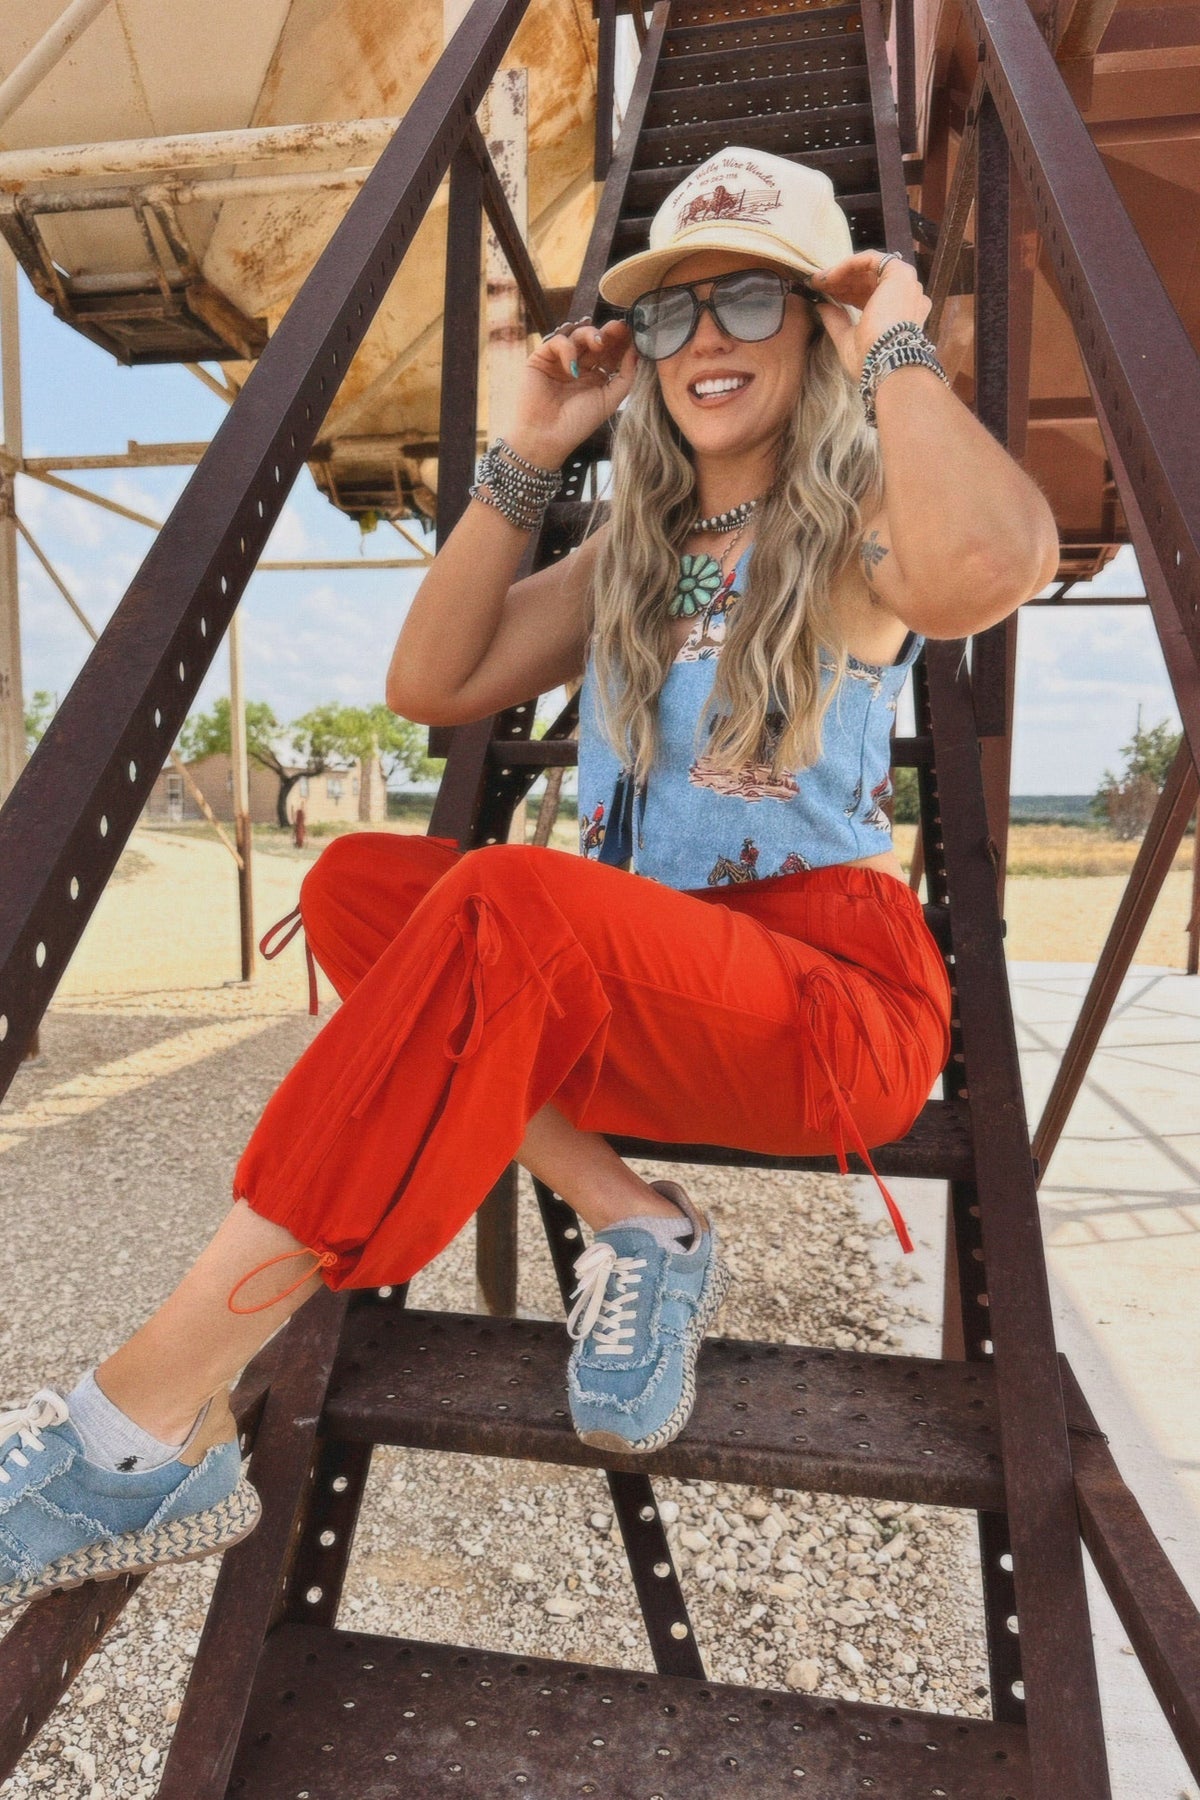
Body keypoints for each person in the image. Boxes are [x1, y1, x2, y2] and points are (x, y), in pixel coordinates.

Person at [0, 149, 1059, 1613]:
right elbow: (431, 683)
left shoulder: (860, 530)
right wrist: (531, 450)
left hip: (828, 1010)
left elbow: (994, 563)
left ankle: (136, 1430)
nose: (706, 338)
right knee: (367, 885)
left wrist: (898, 345)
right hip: (646, 981)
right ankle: (635, 1218)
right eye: (674, 312)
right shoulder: (637, 554)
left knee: (501, 902)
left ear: (820, 321)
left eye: (753, 299)